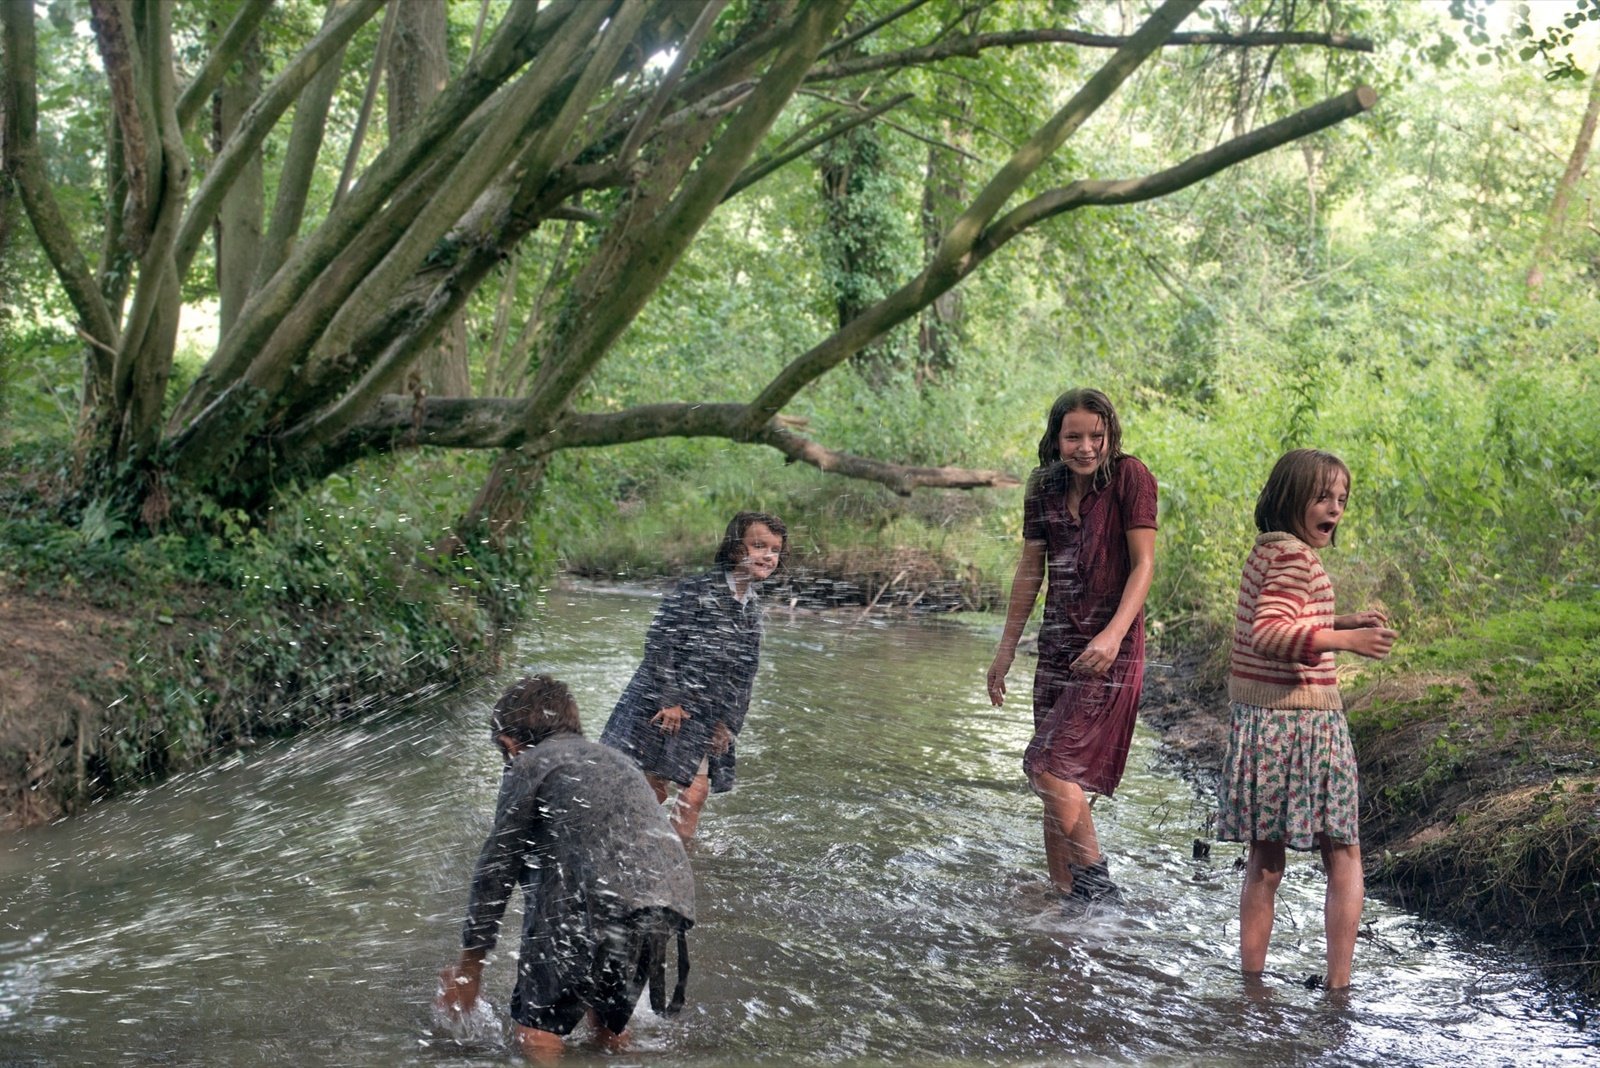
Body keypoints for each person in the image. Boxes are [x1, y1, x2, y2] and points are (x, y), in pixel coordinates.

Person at [437, 675, 695, 1060]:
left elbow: (497, 866)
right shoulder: (617, 761)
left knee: (536, 1028)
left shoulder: (530, 764)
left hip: (596, 897)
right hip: (664, 900)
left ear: (510, 743)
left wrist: (469, 966)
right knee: (609, 1024)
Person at [1216, 449, 1397, 990]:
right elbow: (1270, 634)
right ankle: (1339, 989)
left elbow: (1281, 615)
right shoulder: (1297, 559)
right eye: (1323, 497)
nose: (1335, 509)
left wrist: (1339, 619)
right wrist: (1348, 640)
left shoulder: (1268, 552)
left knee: (1265, 861)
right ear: (1290, 499)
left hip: (1259, 725)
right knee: (1343, 853)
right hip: (1305, 726)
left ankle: (1252, 984)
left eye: (1341, 499)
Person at [986, 388, 1157, 904]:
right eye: (1073, 436)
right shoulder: (1043, 487)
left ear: (1110, 436)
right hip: (1057, 647)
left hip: (1110, 648)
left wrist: (1112, 635)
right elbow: (1029, 570)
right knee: (1056, 782)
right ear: (1055, 438)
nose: (1086, 447)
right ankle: (1064, 899)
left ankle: (1098, 886)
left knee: (1046, 765)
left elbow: (1144, 565)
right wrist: (1005, 648)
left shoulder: (1131, 477)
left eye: (1096, 436)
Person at [600, 511, 787, 843]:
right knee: (653, 788)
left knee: (694, 793)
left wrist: (728, 724)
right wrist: (669, 699)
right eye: (758, 546)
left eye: (774, 550)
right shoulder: (696, 589)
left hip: (705, 714)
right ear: (734, 549)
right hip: (661, 705)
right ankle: (621, 846)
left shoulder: (752, 607)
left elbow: (745, 673)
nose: (767, 556)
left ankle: (677, 863)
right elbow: (660, 643)